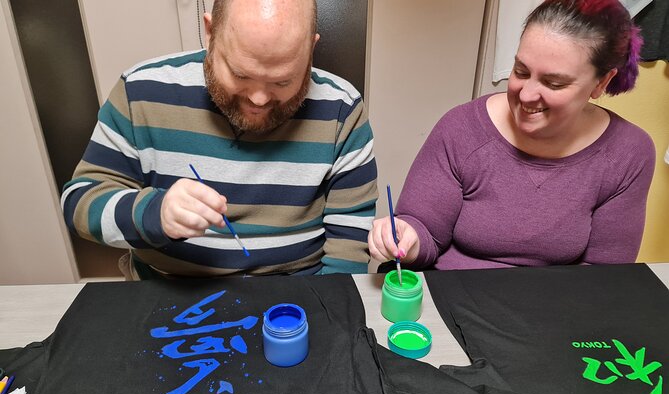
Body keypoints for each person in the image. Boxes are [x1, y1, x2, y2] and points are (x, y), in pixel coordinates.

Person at [61, 0, 378, 279]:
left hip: (296, 300)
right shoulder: (140, 92)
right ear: (210, 32)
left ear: (311, 48)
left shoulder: (342, 109)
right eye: (240, 75)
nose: (258, 99)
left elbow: (349, 240)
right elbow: (78, 203)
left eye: (282, 80)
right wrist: (152, 212)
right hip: (170, 294)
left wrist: (328, 313)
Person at [369, 0, 655, 270]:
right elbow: (426, 232)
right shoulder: (461, 128)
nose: (527, 95)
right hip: (451, 297)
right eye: (520, 71)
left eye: (553, 83)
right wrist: (407, 237)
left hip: (554, 308)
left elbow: (603, 277)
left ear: (601, 82)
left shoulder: (628, 154)